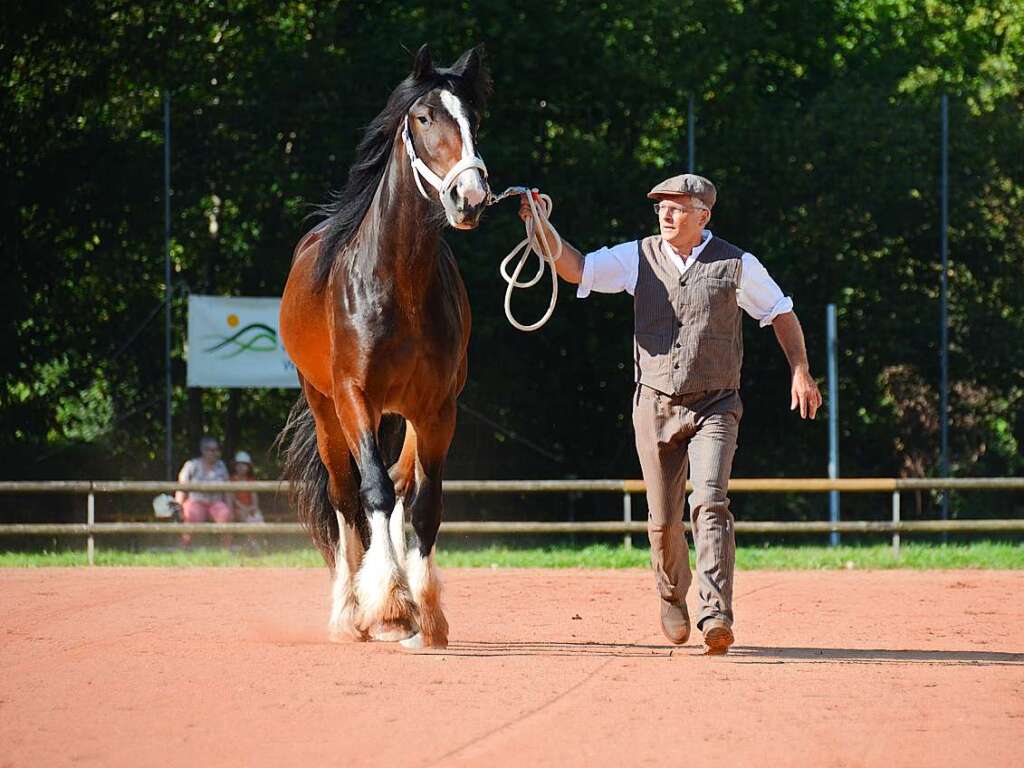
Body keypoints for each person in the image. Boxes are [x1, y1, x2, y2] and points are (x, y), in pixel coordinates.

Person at [519, 174, 822, 654]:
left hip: (717, 403)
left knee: (710, 502)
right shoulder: (637, 256)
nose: (665, 214)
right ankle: (670, 592)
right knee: (663, 520)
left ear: (703, 215)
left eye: (677, 207)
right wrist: (541, 228)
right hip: (654, 402)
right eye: (661, 206)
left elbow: (780, 312)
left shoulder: (738, 264)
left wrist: (801, 371)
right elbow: (577, 269)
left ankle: (715, 612)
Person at [175, 436, 232, 545]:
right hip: (196, 502)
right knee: (190, 516)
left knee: (225, 514)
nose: (215, 453)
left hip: (216, 502)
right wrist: (178, 507)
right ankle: (183, 548)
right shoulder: (191, 465)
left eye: (216, 450)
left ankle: (226, 549)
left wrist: (230, 508)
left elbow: (228, 489)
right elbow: (181, 488)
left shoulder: (221, 466)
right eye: (211, 450)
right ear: (203, 450)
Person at [230, 450, 264, 523]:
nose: (241, 467)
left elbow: (254, 496)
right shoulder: (232, 480)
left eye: (244, 465)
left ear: (248, 467)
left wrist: (254, 507)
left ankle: (258, 532)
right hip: (237, 508)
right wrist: (243, 508)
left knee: (258, 515)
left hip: (250, 507)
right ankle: (250, 533)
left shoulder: (251, 480)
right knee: (244, 516)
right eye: (238, 464)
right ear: (235, 466)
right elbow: (233, 499)